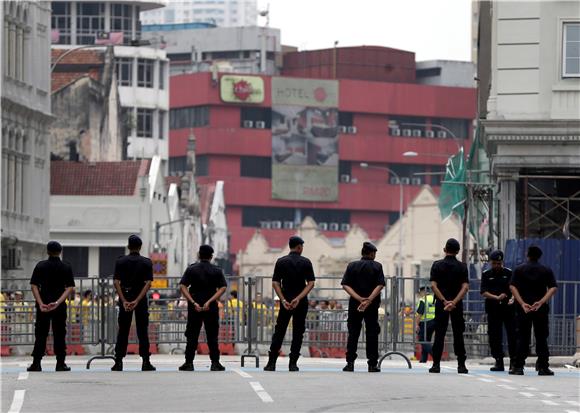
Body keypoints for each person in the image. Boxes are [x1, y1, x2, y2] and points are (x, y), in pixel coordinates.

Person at [264, 236, 315, 372]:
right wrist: (298, 298)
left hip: (285, 300)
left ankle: (271, 363)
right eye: (302, 246)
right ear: (299, 247)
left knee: (279, 330)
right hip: (300, 302)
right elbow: (310, 283)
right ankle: (293, 363)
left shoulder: (281, 262)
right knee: (298, 332)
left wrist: (283, 299)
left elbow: (275, 282)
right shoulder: (306, 262)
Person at [509, 245, 558, 376]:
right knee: (541, 337)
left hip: (523, 308)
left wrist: (522, 303)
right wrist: (541, 301)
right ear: (540, 256)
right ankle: (543, 366)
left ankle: (518, 366)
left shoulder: (519, 269)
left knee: (522, 337)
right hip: (540, 309)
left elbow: (513, 287)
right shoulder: (546, 270)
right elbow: (553, 288)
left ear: (527, 254)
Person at [27, 241, 75, 372]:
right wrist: (58, 302)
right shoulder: (66, 266)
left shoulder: (40, 266)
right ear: (60, 251)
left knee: (41, 334)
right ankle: (60, 363)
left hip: (43, 305)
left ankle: (36, 363)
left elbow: (34, 286)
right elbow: (70, 287)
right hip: (58, 306)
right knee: (59, 333)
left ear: (47, 251)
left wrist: (41, 302)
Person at [178, 244, 227, 372]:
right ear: (211, 256)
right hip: (210, 308)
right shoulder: (217, 270)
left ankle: (189, 363)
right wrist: (210, 301)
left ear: (199, 255)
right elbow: (223, 287)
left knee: (192, 335)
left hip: (195, 307)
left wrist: (193, 302)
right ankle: (215, 363)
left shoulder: (191, 269)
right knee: (212, 335)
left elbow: (182, 286)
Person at [111, 235, 156, 372]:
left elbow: (116, 282)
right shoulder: (146, 262)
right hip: (140, 298)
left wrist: (124, 300)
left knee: (123, 330)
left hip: (125, 295)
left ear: (128, 247)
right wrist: (137, 300)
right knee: (142, 331)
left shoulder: (120, 262)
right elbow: (148, 283)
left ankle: (118, 362)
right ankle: (145, 362)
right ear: (140, 247)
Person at [341, 242, 385, 373]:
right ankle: (372, 364)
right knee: (372, 333)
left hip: (355, 304)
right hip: (371, 306)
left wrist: (359, 298)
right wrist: (369, 300)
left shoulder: (352, 265)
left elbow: (345, 285)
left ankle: (350, 363)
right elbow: (380, 285)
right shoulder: (377, 266)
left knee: (353, 333)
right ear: (371, 253)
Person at [429, 238, 469, 374]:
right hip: (456, 305)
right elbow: (465, 287)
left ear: (444, 250)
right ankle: (461, 365)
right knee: (458, 333)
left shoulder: (437, 265)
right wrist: (454, 302)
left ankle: (436, 364)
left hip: (441, 304)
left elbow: (433, 285)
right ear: (458, 251)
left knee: (439, 333)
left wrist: (444, 301)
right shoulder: (462, 267)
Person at [480, 249, 516, 372]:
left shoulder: (509, 273)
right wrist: (496, 297)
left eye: (499, 263)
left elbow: (514, 289)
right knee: (494, 336)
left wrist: (512, 298)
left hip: (508, 309)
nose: (497, 266)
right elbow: (483, 291)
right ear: (491, 262)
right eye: (494, 263)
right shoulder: (486, 274)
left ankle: (513, 362)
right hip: (493, 309)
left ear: (502, 262)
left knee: (512, 335)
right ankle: (498, 361)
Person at [415, 286, 436, 363]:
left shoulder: (423, 300)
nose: (420, 294)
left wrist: (416, 324)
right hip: (434, 321)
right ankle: (423, 359)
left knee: (422, 340)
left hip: (425, 322)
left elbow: (420, 313)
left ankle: (435, 355)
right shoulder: (434, 299)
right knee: (427, 340)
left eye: (420, 292)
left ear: (423, 292)